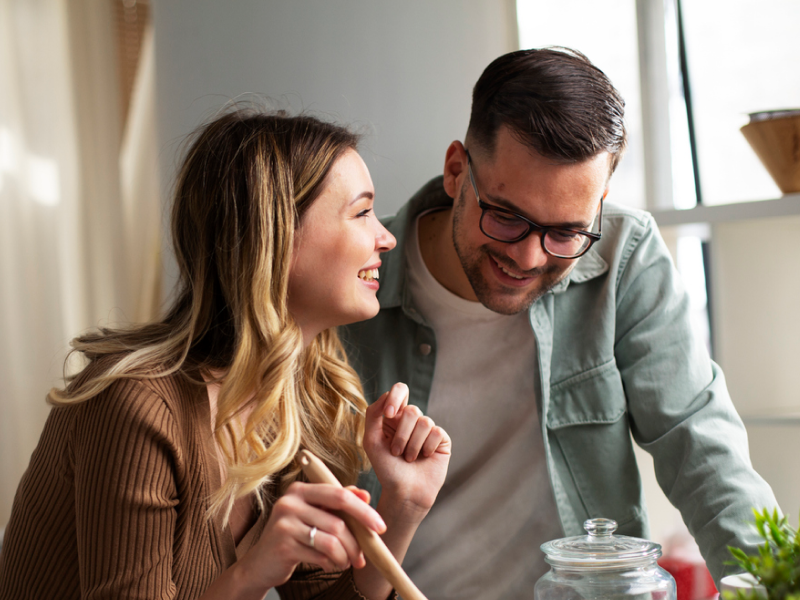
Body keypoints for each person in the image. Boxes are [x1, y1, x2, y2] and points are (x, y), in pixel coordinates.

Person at [341, 47, 779, 599]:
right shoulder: (352, 277)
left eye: (566, 232)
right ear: (457, 171)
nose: (528, 258)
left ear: (599, 205)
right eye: (505, 216)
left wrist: (775, 586)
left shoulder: (626, 254)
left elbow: (697, 439)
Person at [0, 109, 451, 600]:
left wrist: (403, 504)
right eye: (362, 212)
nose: (385, 237)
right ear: (276, 238)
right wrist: (252, 572)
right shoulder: (137, 406)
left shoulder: (298, 397)